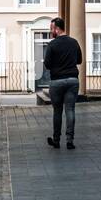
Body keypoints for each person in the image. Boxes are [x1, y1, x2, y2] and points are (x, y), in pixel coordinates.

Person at [44, 17, 81, 150]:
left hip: (57, 81)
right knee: (70, 110)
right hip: (72, 80)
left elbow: (47, 65)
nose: (50, 31)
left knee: (57, 111)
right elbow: (79, 60)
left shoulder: (52, 44)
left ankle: (56, 140)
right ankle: (70, 141)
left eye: (51, 28)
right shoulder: (74, 42)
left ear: (57, 29)